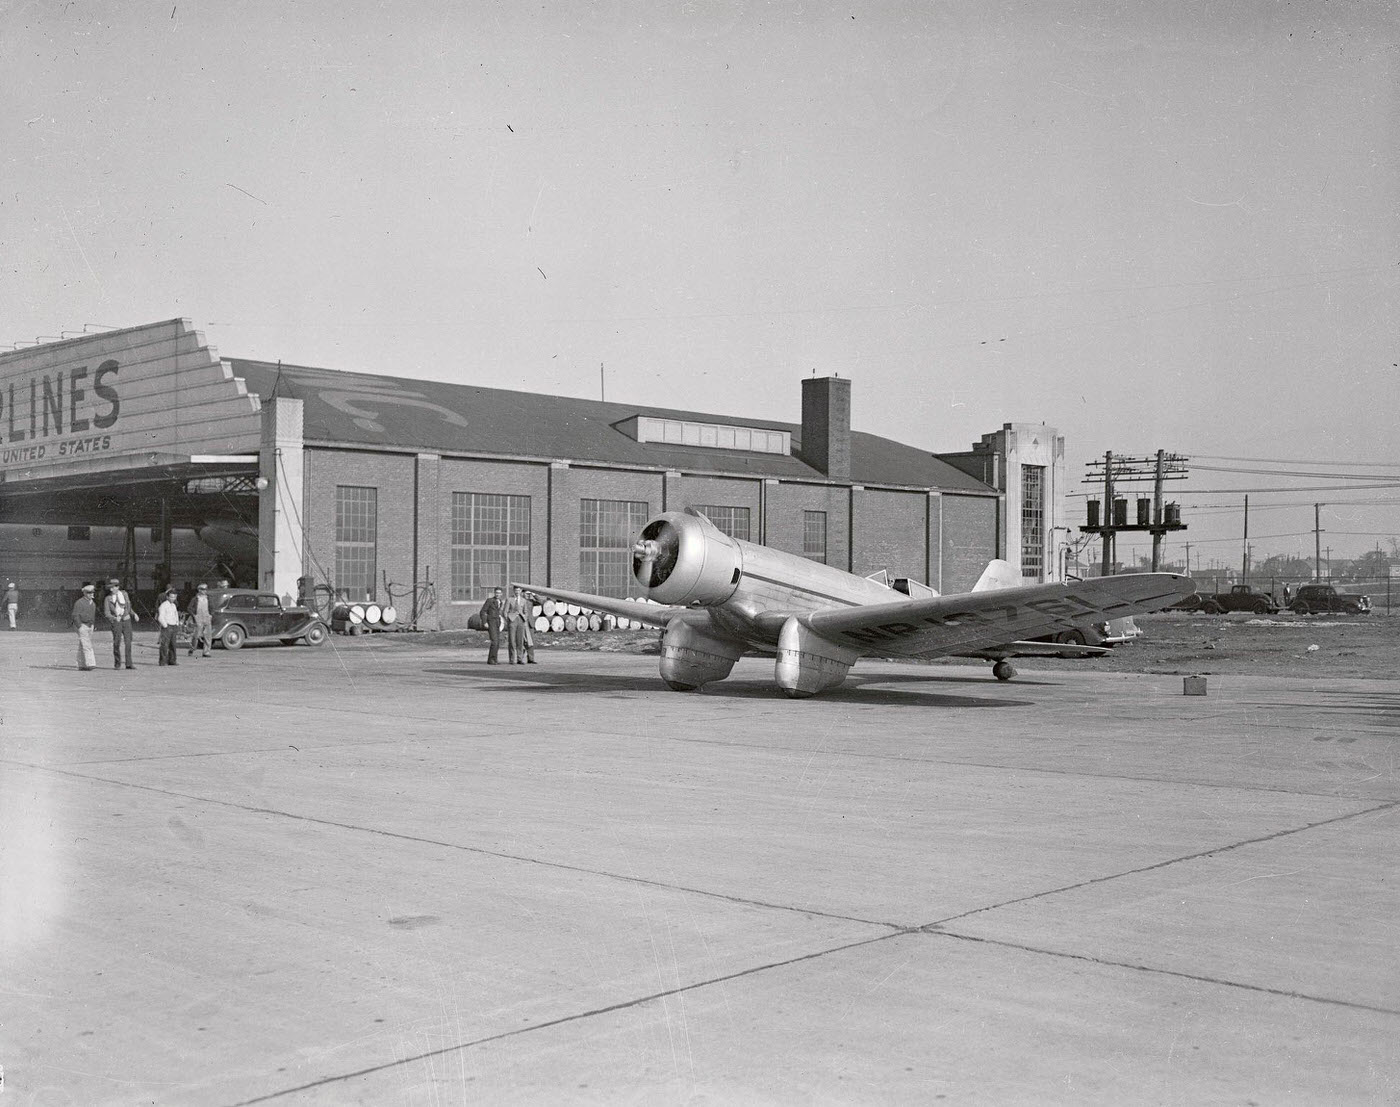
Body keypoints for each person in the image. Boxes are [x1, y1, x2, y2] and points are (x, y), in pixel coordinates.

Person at [104, 578, 139, 669]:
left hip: (127, 621)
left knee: (128, 642)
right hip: (117, 622)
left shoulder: (124, 594)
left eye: (116, 586)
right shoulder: (108, 599)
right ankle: (117, 663)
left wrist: (134, 614)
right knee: (116, 642)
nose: (114, 588)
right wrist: (115, 618)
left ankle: (129, 663)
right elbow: (107, 613)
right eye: (112, 587)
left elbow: (128, 607)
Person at [505, 585, 537, 664]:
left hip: (521, 621)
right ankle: (512, 659)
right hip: (512, 621)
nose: (517, 592)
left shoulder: (523, 600)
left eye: (518, 590)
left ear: (520, 591)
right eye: (516, 590)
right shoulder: (509, 599)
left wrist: (524, 618)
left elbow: (526, 611)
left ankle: (519, 659)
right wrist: (509, 619)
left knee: (520, 641)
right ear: (514, 591)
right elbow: (505, 611)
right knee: (512, 641)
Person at [71, 582, 98, 670]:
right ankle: (90, 663)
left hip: (90, 626)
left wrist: (92, 625)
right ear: (84, 593)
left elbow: (92, 615)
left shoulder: (93, 603)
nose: (91, 594)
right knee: (87, 645)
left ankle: (81, 664)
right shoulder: (79, 602)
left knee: (83, 644)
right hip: (82, 625)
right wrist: (80, 626)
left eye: (92, 592)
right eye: (89, 593)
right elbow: (75, 615)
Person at [478, 587, 506, 664]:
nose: (498, 594)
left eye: (499, 593)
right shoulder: (490, 601)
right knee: (494, 641)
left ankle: (494, 659)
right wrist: (485, 622)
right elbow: (482, 612)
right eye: (496, 593)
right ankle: (491, 660)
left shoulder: (500, 601)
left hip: (497, 622)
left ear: (502, 594)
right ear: (494, 593)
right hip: (491, 622)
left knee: (497, 642)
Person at [187, 583, 213, 657]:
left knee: (208, 636)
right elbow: (189, 608)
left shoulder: (208, 598)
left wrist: (211, 615)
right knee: (196, 636)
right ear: (199, 590)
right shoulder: (195, 599)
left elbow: (212, 607)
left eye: (206, 589)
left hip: (207, 618)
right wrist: (194, 615)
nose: (205, 591)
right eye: (203, 589)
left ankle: (206, 652)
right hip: (198, 618)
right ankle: (192, 648)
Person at [157, 587, 180, 666]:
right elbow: (160, 617)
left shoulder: (173, 605)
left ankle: (172, 660)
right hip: (167, 626)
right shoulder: (163, 605)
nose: (173, 598)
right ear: (167, 597)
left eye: (174, 597)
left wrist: (177, 623)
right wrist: (165, 625)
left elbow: (176, 615)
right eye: (171, 597)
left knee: (173, 644)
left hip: (173, 626)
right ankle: (163, 661)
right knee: (165, 644)